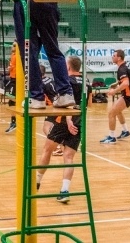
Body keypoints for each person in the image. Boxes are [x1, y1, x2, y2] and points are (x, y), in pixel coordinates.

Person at [36, 56, 91, 203]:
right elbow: (89, 103)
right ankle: (65, 191)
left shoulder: (67, 81)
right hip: (79, 122)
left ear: (68, 67)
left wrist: (68, 119)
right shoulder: (86, 81)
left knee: (47, 150)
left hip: (64, 120)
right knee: (69, 158)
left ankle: (36, 180)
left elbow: (68, 103)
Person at [100, 49, 130, 144]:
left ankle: (111, 137)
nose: (112, 57)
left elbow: (126, 83)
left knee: (111, 113)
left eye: (114, 56)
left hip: (129, 95)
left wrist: (114, 91)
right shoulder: (125, 66)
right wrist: (117, 83)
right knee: (117, 111)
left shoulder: (122, 69)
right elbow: (128, 79)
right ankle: (125, 131)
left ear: (119, 58)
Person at [5, 43, 18, 133]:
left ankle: (14, 123)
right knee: (11, 100)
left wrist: (10, 68)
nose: (11, 47)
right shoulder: (13, 55)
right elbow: (11, 67)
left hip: (16, 80)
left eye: (14, 45)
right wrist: (9, 68)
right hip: (12, 79)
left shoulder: (18, 56)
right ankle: (14, 122)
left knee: (11, 100)